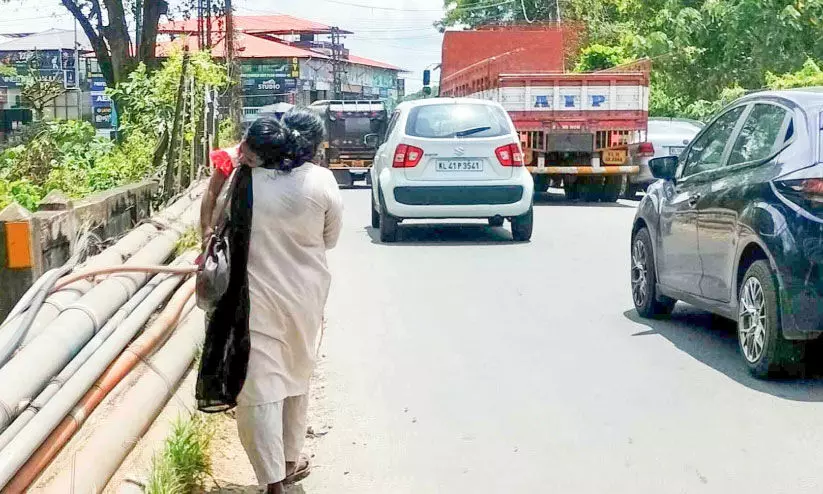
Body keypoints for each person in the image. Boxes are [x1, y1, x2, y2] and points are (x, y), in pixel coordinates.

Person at [200, 109, 343, 494]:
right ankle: (290, 460)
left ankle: (272, 479)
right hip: (306, 297)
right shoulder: (322, 180)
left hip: (254, 298)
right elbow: (330, 239)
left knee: (258, 388)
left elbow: (212, 219)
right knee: (298, 374)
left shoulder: (244, 179)